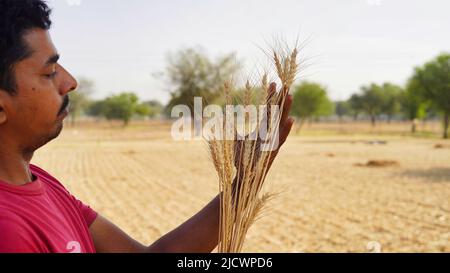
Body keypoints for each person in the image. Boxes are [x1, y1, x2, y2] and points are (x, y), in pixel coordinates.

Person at [0, 0, 294, 253]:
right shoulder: (8, 232)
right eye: (49, 72)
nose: (70, 82)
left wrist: (246, 179)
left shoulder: (41, 182)